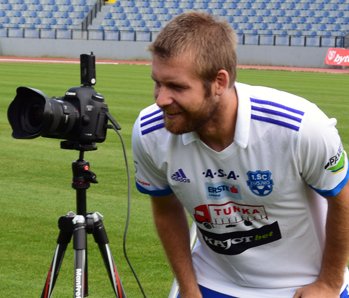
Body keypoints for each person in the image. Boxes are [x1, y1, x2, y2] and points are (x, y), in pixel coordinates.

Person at [131, 11, 349, 298]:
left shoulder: (300, 127)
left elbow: (342, 199)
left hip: (302, 285)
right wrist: (188, 287)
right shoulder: (150, 131)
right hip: (214, 282)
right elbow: (165, 208)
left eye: (177, 87)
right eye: (158, 82)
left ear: (219, 82)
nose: (160, 100)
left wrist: (330, 283)